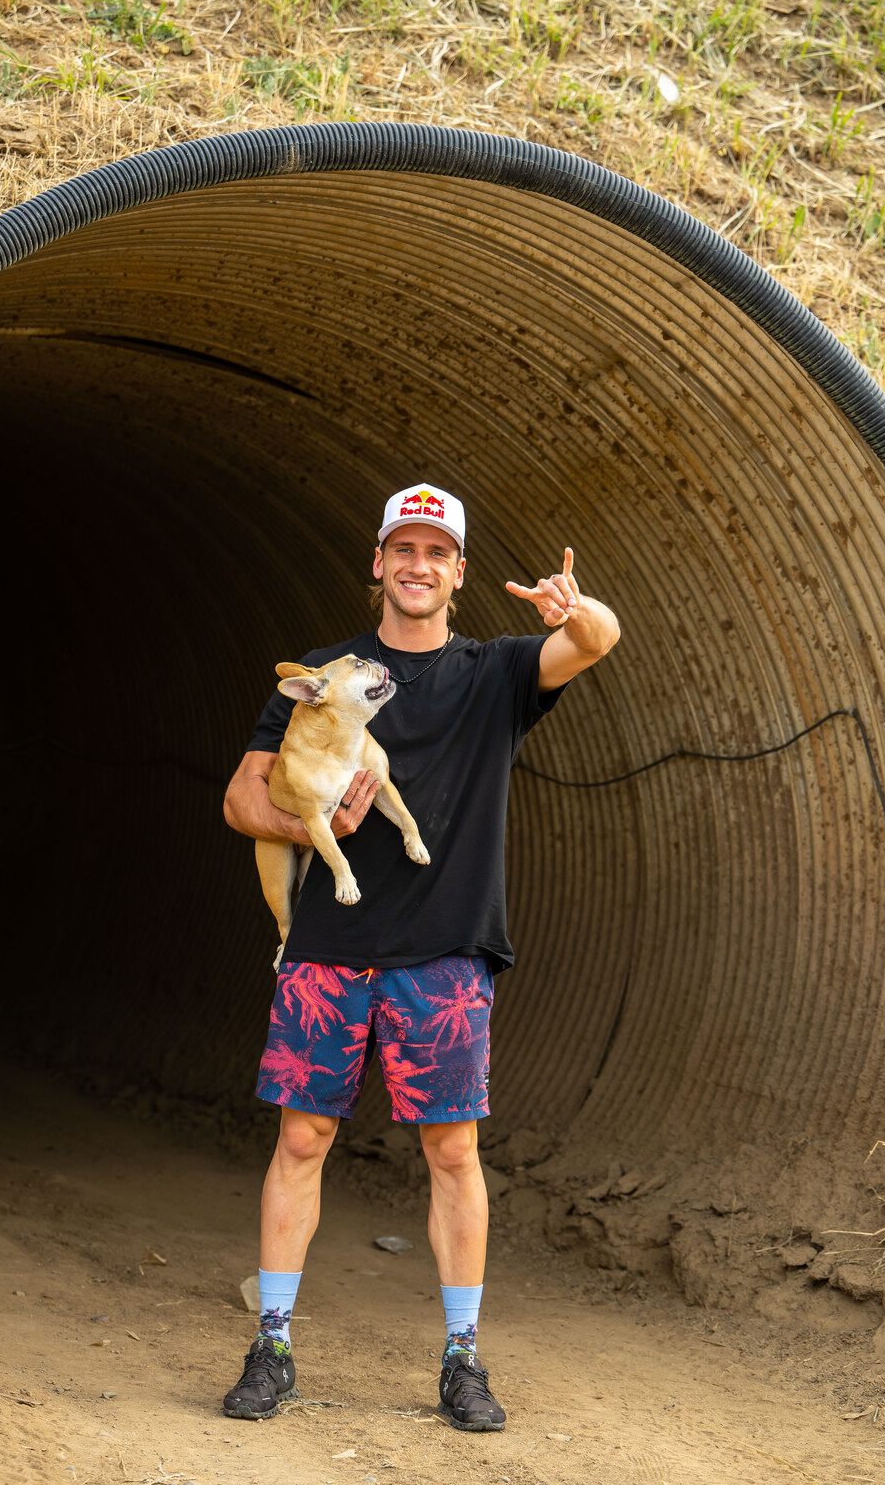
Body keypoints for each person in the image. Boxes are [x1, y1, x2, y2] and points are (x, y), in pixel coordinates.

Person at [221, 483, 620, 1431]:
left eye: (436, 553)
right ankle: (271, 1347)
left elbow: (597, 641)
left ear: (459, 573)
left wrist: (576, 611)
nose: (417, 565)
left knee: (451, 1151)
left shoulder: (497, 673)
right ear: (378, 563)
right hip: (329, 947)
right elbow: (240, 799)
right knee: (301, 1140)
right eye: (403, 548)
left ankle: (462, 1361)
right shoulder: (324, 675)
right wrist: (308, 821)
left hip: (445, 949)